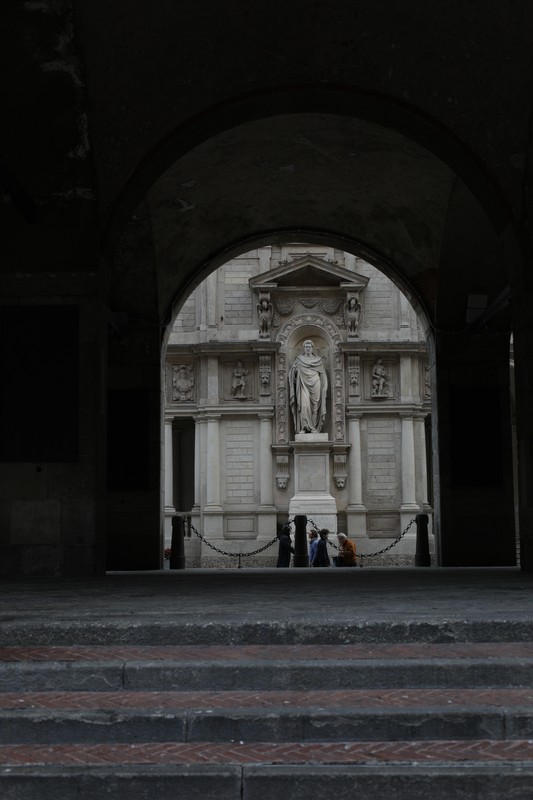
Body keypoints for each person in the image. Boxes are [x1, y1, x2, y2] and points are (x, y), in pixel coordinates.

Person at [288, 339, 328, 434]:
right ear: (304, 348)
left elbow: (323, 375)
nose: (308, 348)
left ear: (312, 348)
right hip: (303, 384)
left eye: (309, 347)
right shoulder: (299, 360)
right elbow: (293, 373)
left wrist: (324, 387)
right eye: (306, 347)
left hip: (316, 384)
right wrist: (294, 370)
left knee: (315, 407)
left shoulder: (318, 360)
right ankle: (304, 427)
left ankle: (314, 428)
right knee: (304, 405)